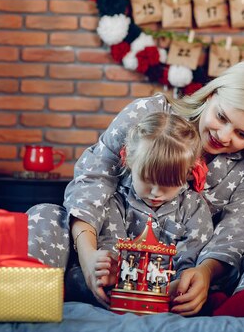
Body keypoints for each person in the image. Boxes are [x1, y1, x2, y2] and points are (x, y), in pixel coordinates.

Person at [27, 60, 244, 316]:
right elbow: (94, 179)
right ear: (211, 95)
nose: (224, 136)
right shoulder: (150, 114)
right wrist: (88, 256)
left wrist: (204, 272)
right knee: (46, 216)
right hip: (109, 251)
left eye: (243, 134)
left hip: (188, 268)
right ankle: (37, 290)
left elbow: (237, 229)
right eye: (222, 116)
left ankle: (235, 306)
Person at [65, 112, 214, 306]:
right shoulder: (116, 200)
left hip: (170, 285)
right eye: (147, 181)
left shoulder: (193, 206)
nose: (155, 193)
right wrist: (108, 269)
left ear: (187, 173)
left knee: (206, 288)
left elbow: (192, 253)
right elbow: (110, 244)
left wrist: (179, 282)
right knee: (75, 277)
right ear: (129, 162)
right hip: (122, 281)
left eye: (168, 184)